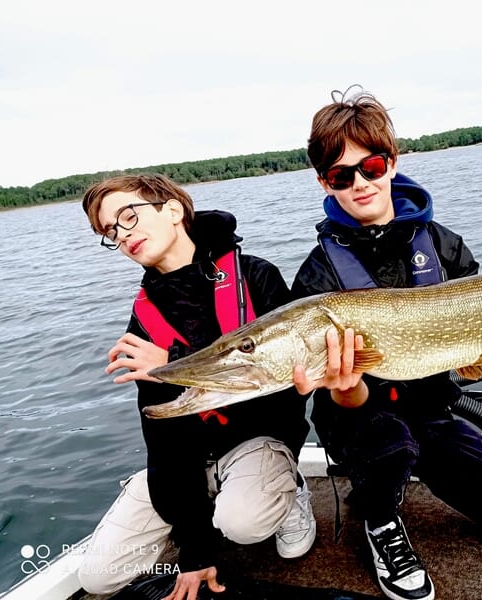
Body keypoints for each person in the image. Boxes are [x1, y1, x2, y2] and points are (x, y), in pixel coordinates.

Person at [291, 87, 482, 600]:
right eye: (340, 175)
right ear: (324, 182)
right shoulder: (318, 274)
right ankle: (379, 518)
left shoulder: (441, 244)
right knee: (385, 440)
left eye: (370, 165)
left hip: (432, 413)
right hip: (359, 421)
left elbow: (479, 361)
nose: (359, 183)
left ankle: (406, 470)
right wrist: (346, 391)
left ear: (392, 161)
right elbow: (330, 396)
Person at [79, 174, 316, 600]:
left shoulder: (257, 276)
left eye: (128, 216)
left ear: (172, 210)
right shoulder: (142, 322)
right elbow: (162, 433)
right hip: (191, 455)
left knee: (243, 523)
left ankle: (290, 490)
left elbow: (283, 393)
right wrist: (194, 552)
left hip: (258, 437)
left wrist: (173, 365)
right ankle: (182, 512)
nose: (122, 235)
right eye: (110, 232)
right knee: (97, 577)